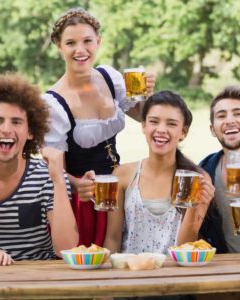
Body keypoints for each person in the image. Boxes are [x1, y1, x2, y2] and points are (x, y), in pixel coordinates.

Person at [43, 7, 155, 247]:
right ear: (59, 47)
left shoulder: (109, 77)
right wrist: (77, 183)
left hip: (119, 192)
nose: (80, 50)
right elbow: (52, 166)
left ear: (98, 42)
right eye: (71, 43)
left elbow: (141, 115)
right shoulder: (54, 103)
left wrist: (145, 95)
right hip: (83, 201)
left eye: (87, 41)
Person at [80, 91, 214, 254]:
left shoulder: (195, 179)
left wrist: (195, 207)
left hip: (175, 274)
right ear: (144, 126)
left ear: (183, 132)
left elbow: (186, 247)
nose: (161, 129)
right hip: (131, 273)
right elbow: (113, 238)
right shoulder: (122, 176)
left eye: (171, 124)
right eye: (154, 121)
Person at [0, 73, 79, 265]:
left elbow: (66, 249)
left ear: (30, 132)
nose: (6, 129)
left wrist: (59, 181)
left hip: (36, 282)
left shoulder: (47, 177)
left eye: (16, 122)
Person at [199, 86, 240, 253]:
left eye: (238, 113)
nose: (229, 120)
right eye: (221, 115)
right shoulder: (205, 171)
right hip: (227, 272)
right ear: (212, 130)